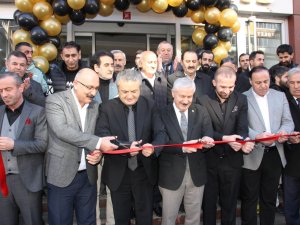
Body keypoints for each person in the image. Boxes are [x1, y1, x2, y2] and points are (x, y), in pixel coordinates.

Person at [45, 68, 118, 225]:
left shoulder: (96, 106)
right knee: (59, 221)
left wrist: (98, 152)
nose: (93, 92)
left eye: (96, 88)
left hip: (88, 178)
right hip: (61, 176)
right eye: (89, 87)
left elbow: (97, 135)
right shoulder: (55, 101)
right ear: (76, 84)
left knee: (88, 221)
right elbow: (61, 130)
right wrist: (98, 143)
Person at [95, 69, 167, 225]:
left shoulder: (150, 105)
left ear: (140, 88)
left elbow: (161, 133)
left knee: (145, 218)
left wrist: (153, 147)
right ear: (117, 87)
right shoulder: (106, 108)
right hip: (118, 173)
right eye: (124, 91)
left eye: (134, 91)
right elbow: (102, 134)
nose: (129, 95)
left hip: (144, 172)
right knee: (121, 219)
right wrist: (128, 147)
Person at [197, 66, 254, 225]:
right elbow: (203, 131)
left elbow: (243, 128)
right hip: (209, 161)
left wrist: (242, 141)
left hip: (232, 160)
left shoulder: (241, 99)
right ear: (214, 83)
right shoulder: (202, 100)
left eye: (231, 86)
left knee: (229, 204)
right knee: (208, 204)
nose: (226, 90)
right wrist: (226, 138)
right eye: (223, 86)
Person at [241, 66, 294, 225]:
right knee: (249, 199)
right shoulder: (242, 98)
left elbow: (288, 122)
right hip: (251, 155)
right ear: (250, 81)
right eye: (258, 83)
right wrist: (256, 136)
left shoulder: (280, 96)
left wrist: (281, 133)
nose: (263, 85)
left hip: (274, 154)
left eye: (266, 81)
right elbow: (241, 126)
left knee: (269, 199)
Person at [159, 77, 215, 225]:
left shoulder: (201, 111)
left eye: (189, 96)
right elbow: (160, 142)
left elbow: (208, 133)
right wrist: (182, 147)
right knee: (168, 218)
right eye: (182, 96)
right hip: (171, 174)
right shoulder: (161, 112)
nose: (185, 100)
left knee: (194, 217)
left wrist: (207, 141)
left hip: (196, 174)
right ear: (173, 93)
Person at [0, 72, 47, 225]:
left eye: (8, 89)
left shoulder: (37, 112)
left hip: (27, 180)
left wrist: (14, 145)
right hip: (2, 182)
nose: (4, 94)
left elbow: (43, 144)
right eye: (1, 91)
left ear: (21, 88)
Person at [90, 50, 118, 225]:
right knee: (92, 190)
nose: (111, 68)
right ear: (96, 67)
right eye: (106, 65)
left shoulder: (118, 86)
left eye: (112, 65)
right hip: (92, 147)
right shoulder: (88, 87)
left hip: (114, 146)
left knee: (112, 190)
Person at [284, 68, 300, 225]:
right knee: (291, 201)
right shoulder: (283, 101)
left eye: (299, 82)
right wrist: (289, 138)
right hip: (292, 161)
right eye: (292, 83)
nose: (296, 86)